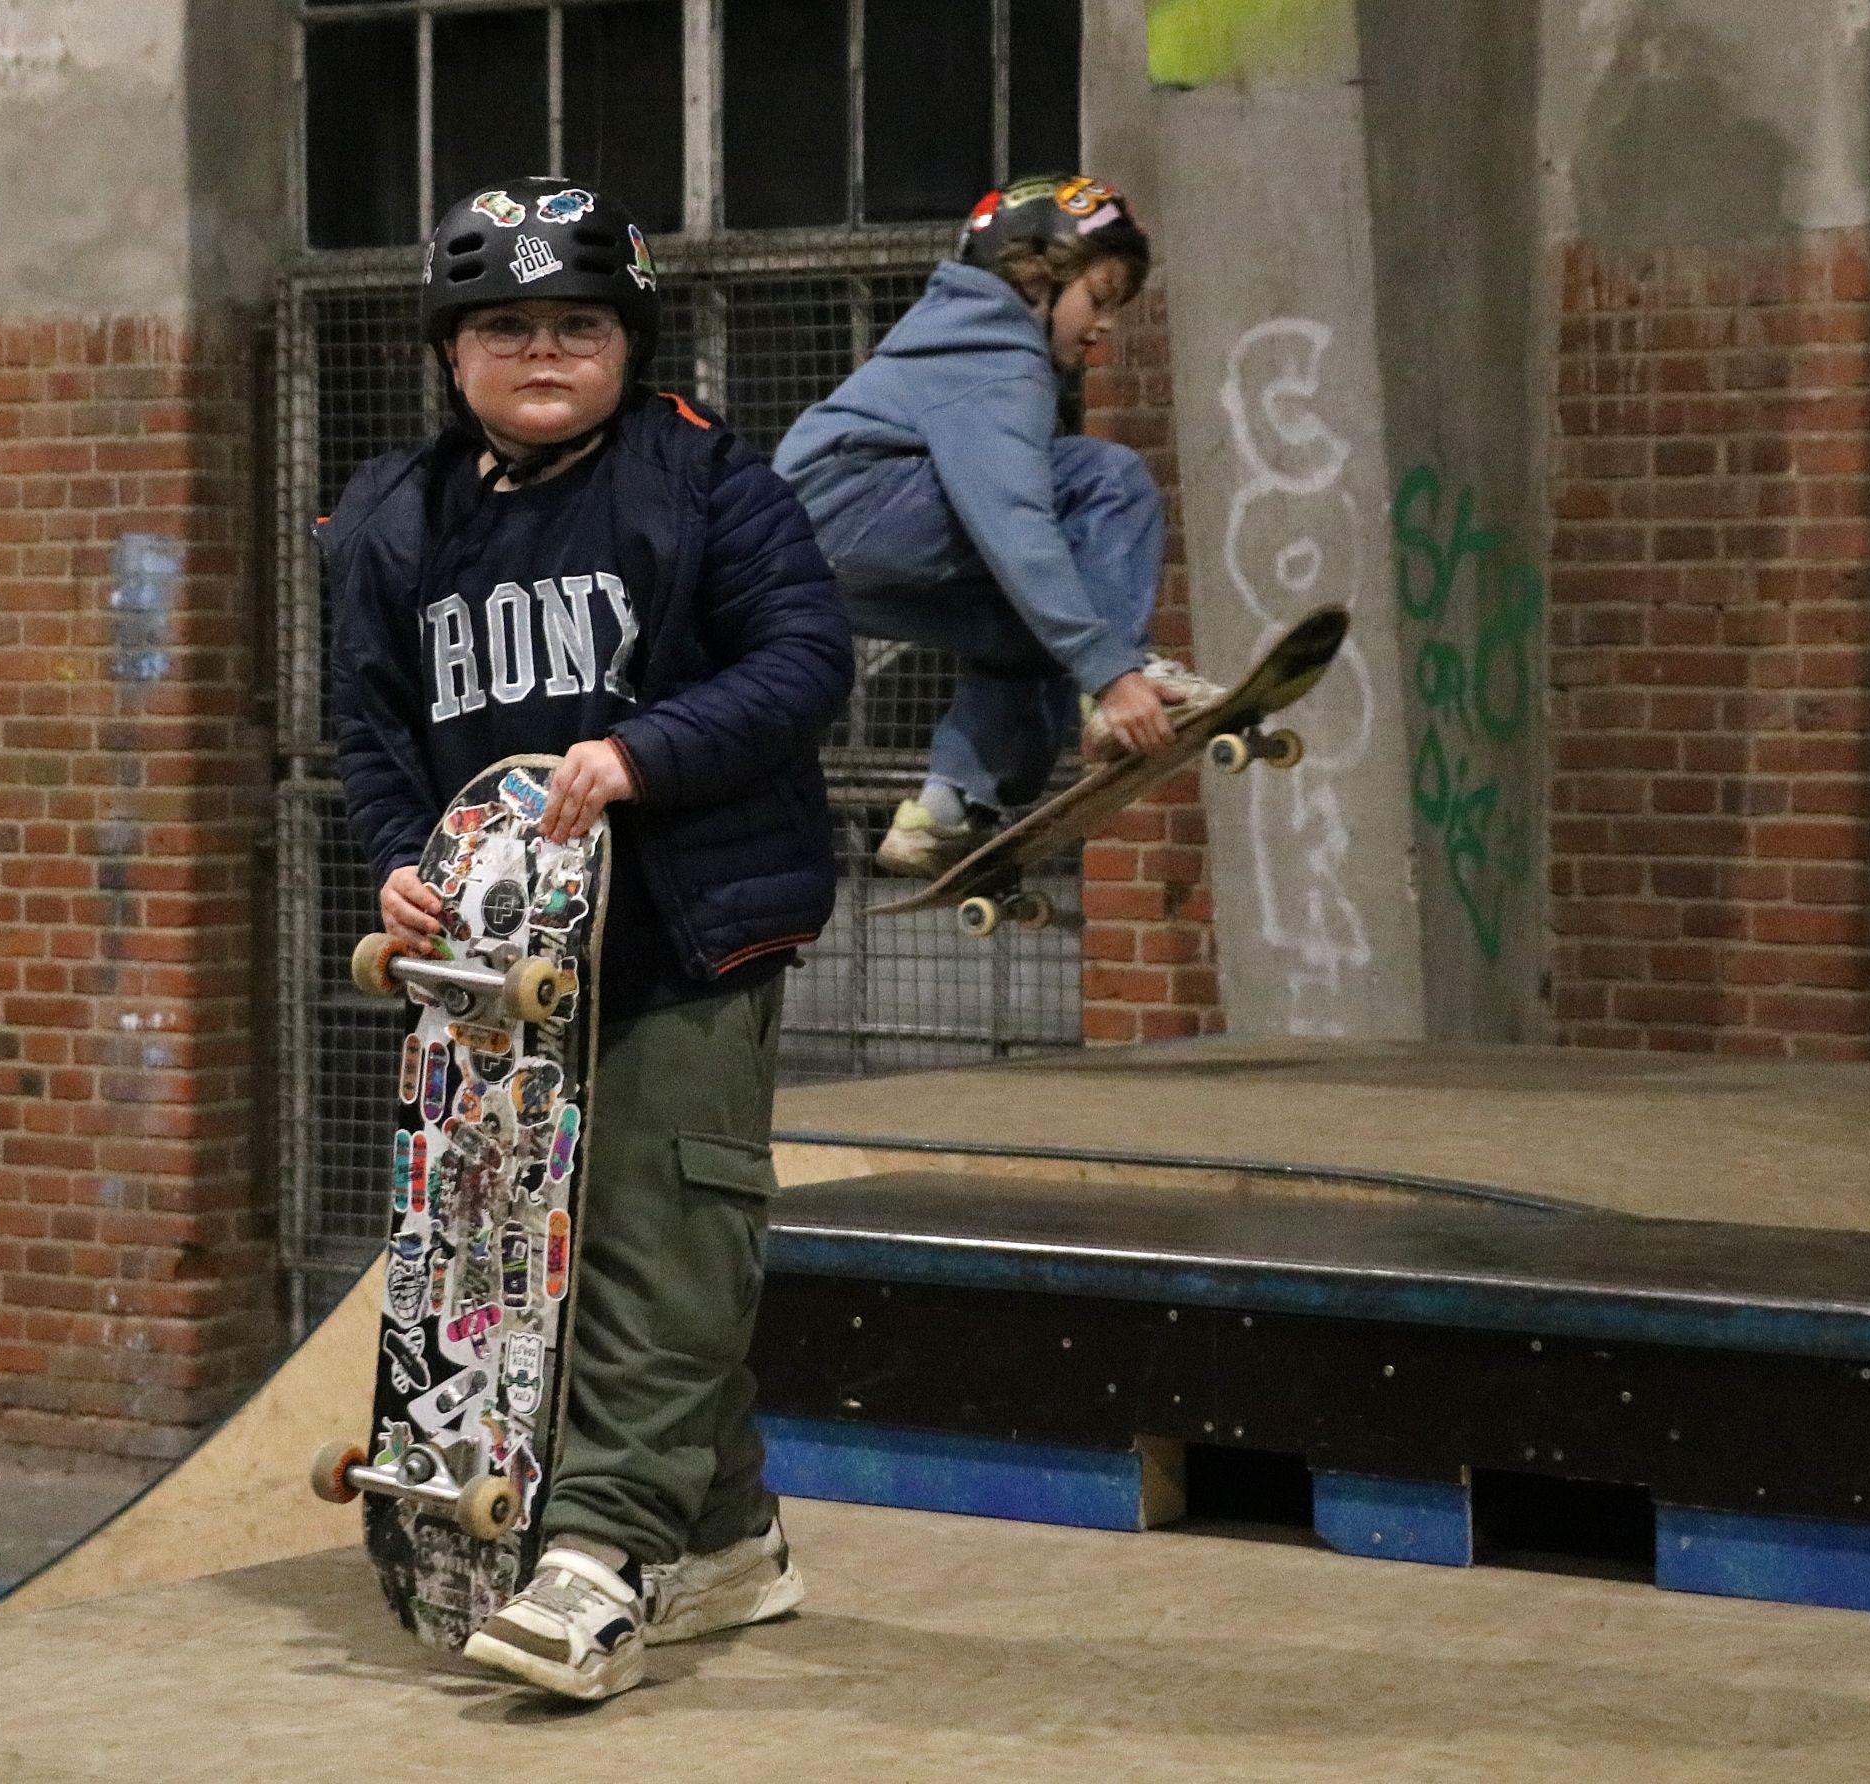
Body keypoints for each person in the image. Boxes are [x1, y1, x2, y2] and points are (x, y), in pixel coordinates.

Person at [319, 175, 853, 1701]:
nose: (541, 350)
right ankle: (732, 1544)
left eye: (576, 324)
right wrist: (395, 869)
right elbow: (372, 734)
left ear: (626, 340)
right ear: (449, 350)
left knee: (660, 1228)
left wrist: (644, 752)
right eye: (503, 327)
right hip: (503, 970)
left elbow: (808, 656)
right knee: (560, 1258)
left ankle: (603, 1557)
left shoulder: (704, 479)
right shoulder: (387, 520)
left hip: (690, 928)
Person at [774, 173, 1218, 878]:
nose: (1104, 328)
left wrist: (1074, 650)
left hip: (817, 557)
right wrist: (1112, 675)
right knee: (1110, 478)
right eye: (1099, 300)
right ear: (1037, 277)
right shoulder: (998, 354)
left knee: (1029, 631)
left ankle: (948, 810)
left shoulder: (961, 336)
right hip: (855, 503)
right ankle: (1124, 680)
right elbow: (1013, 521)